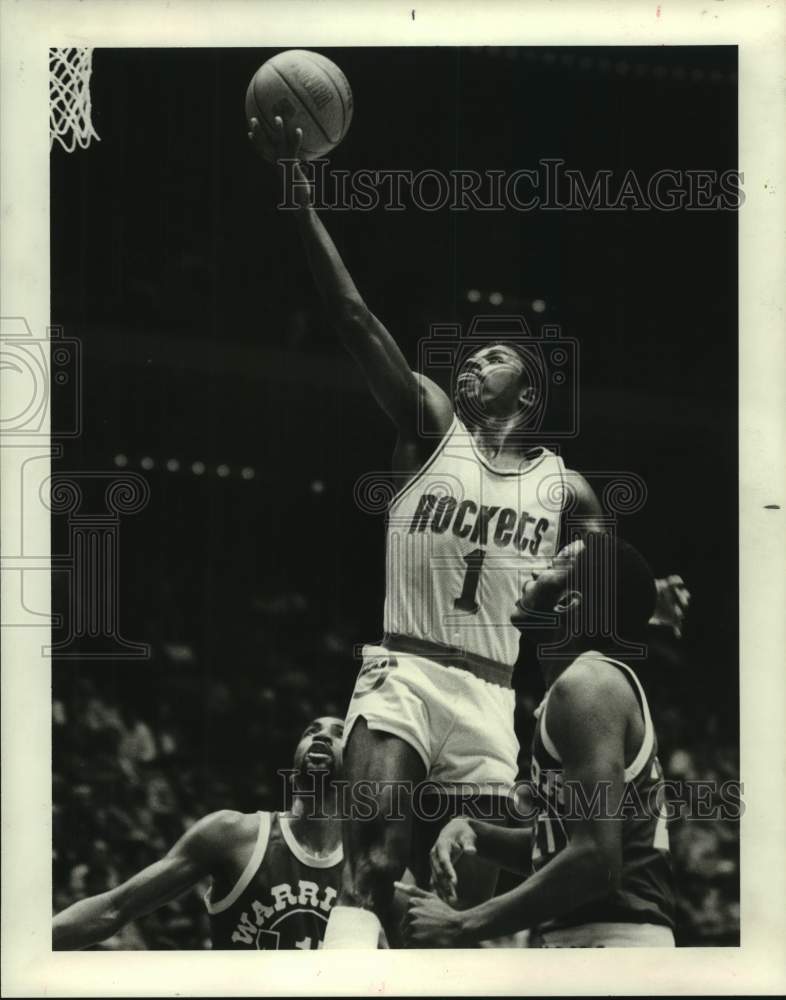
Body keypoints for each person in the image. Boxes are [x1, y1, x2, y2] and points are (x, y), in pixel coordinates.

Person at [251, 115, 687, 948]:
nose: (472, 363)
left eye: (494, 359)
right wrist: (302, 203)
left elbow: (609, 576)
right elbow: (352, 318)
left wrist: (652, 593)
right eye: (472, 357)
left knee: (485, 878)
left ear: (529, 395)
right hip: (406, 670)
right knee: (373, 863)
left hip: (494, 691)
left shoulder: (569, 486)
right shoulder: (432, 425)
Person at [398, 535, 676, 947]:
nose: (534, 569)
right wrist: (478, 833)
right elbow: (564, 848)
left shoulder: (588, 686)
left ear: (568, 604)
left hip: (612, 945)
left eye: (555, 564)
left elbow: (598, 860)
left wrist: (463, 924)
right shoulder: (584, 686)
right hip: (594, 942)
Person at [53, 716, 345, 950]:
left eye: (338, 733)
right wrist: (29, 947)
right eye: (311, 730)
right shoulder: (233, 835)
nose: (321, 736)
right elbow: (115, 908)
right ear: (293, 768)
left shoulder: (370, 871)